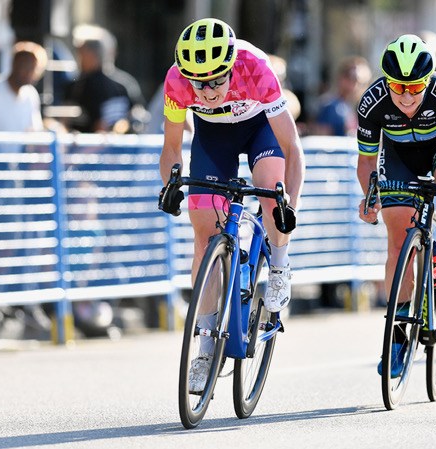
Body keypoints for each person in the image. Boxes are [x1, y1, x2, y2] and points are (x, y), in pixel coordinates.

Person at [158, 18, 305, 389]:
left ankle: (279, 266)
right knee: (204, 235)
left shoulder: (255, 67)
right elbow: (172, 147)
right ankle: (205, 348)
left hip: (261, 130)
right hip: (213, 136)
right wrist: (171, 184)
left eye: (216, 80)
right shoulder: (176, 81)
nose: (207, 91)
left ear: (231, 67)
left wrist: (290, 207)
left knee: (271, 191)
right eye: (199, 83)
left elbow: (292, 148)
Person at [355, 34, 436, 375]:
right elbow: (366, 163)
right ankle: (397, 339)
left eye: (415, 87)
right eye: (398, 87)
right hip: (398, 158)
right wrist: (371, 197)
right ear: (387, 82)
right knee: (398, 245)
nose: (407, 95)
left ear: (428, 81)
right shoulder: (372, 102)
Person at [64, 25, 146, 133]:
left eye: (81, 53)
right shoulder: (77, 85)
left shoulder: (122, 85)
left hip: (101, 145)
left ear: (91, 54)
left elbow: (137, 115)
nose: (78, 58)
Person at [0, 41, 47, 133]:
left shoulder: (31, 95)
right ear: (14, 64)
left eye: (33, 68)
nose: (29, 72)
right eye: (25, 66)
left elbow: (35, 131)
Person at [313, 56, 372, 136]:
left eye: (363, 83)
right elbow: (322, 140)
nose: (357, 86)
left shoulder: (362, 108)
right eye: (354, 79)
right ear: (341, 78)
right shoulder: (330, 107)